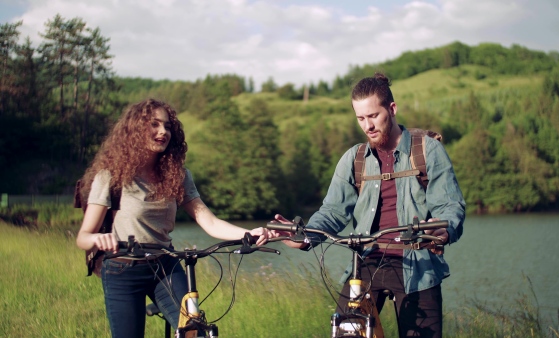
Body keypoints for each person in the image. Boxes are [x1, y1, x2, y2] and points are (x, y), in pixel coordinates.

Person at [273, 73, 465, 338]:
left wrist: (444, 230)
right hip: (365, 263)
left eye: (373, 116)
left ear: (392, 109)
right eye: (361, 118)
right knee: (345, 334)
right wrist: (304, 238)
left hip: (418, 265)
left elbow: (449, 206)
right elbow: (332, 212)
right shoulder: (355, 158)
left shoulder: (427, 151)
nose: (368, 126)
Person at [76, 98, 271, 338]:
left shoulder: (177, 176)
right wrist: (98, 239)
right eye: (154, 125)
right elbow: (83, 238)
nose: (162, 132)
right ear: (135, 129)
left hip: (165, 264)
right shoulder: (111, 177)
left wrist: (248, 234)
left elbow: (208, 221)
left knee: (195, 333)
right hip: (122, 268)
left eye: (167, 126)